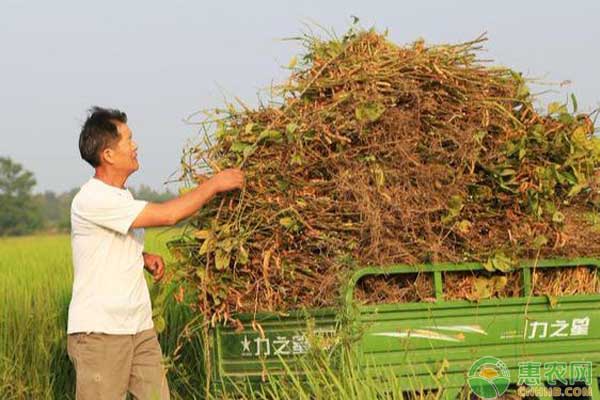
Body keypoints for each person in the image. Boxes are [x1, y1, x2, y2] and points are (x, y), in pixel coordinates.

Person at [67, 106, 244, 399]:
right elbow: (169, 215)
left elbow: (103, 246)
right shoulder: (93, 198)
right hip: (102, 333)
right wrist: (214, 185)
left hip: (139, 328)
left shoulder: (121, 196)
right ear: (108, 154)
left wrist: (141, 257)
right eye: (128, 139)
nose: (135, 146)